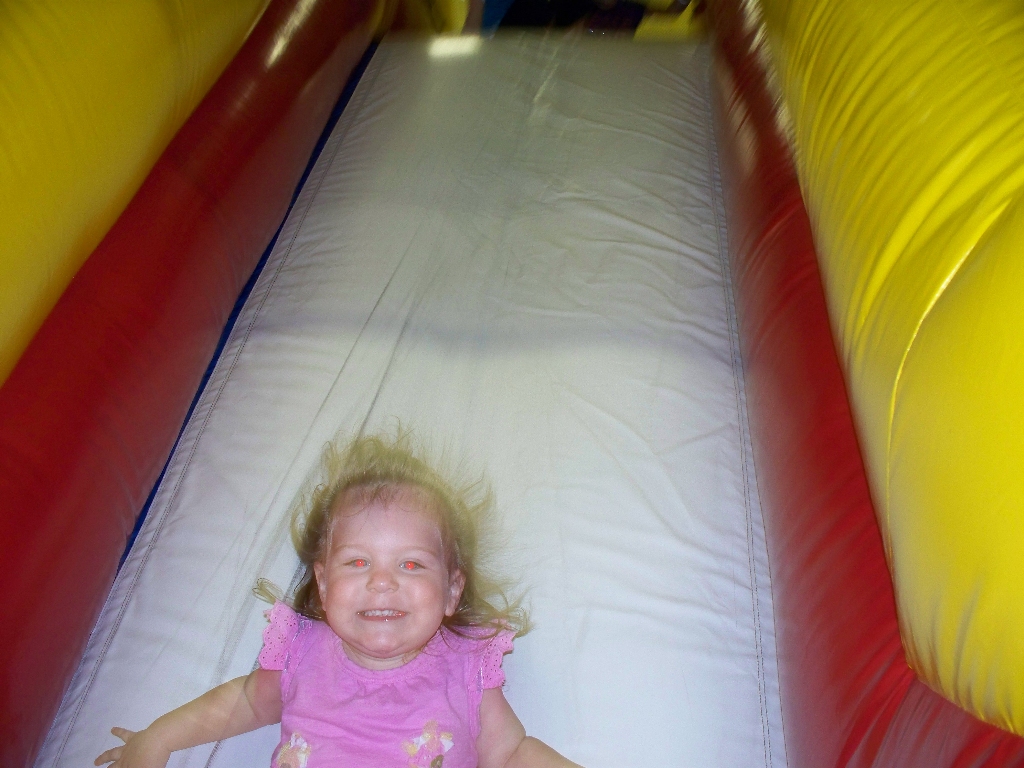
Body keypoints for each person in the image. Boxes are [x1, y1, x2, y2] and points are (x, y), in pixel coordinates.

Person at [95, 430, 583, 768]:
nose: (382, 582)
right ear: (324, 585)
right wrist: (159, 738)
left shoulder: (465, 666)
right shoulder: (302, 651)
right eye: (358, 562)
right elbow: (243, 703)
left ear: (452, 590)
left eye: (411, 565)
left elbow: (511, 753)